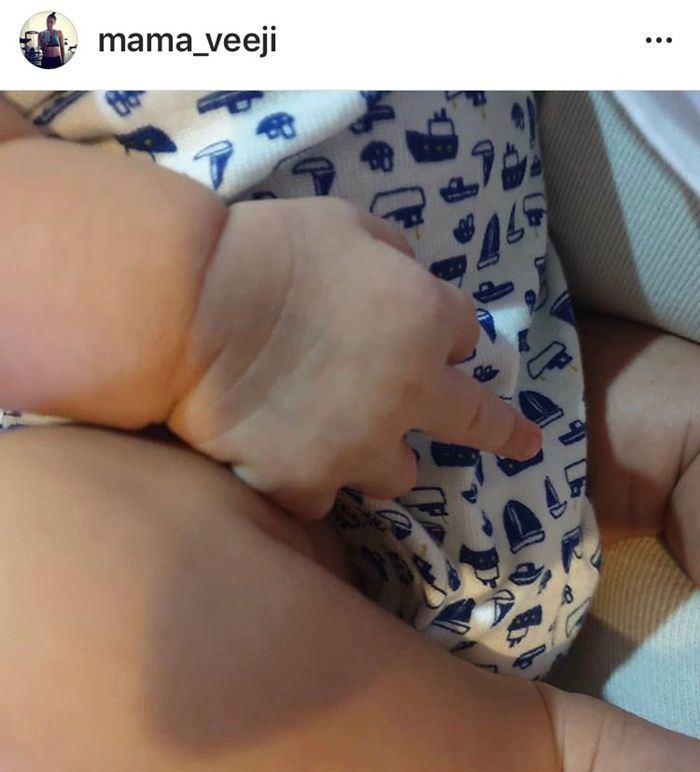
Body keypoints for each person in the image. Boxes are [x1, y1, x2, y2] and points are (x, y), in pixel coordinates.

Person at [0, 91, 697, 769]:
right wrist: (221, 318)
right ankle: (555, 752)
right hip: (209, 480)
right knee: (42, 605)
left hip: (535, 393)